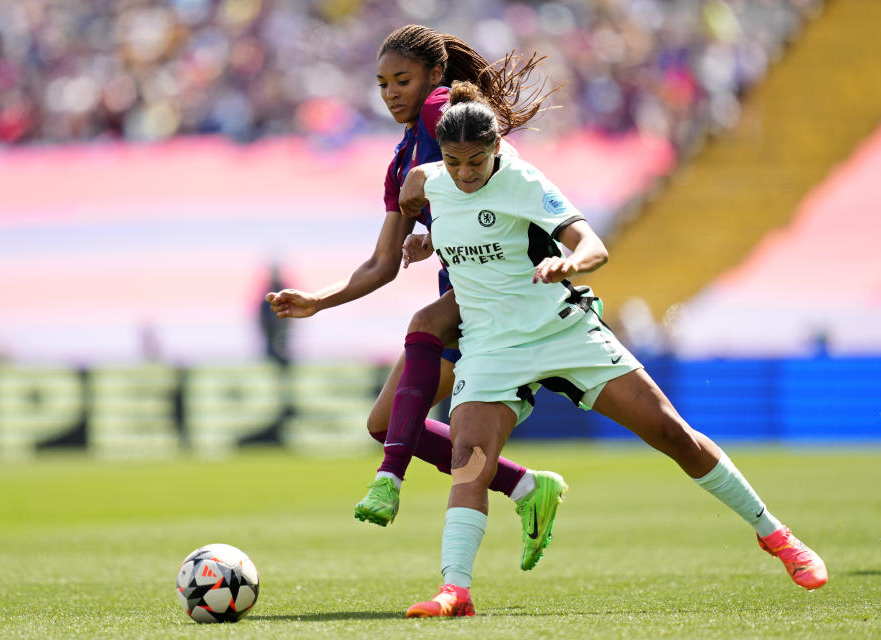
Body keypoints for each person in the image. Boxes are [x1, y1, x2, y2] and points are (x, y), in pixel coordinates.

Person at [398, 81, 828, 618]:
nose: (465, 174)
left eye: (476, 161)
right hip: (490, 348)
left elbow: (592, 244)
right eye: (455, 161)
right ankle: (455, 591)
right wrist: (427, 240)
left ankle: (778, 537)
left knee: (673, 433)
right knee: (469, 461)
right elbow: (461, 226)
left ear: (498, 147)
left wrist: (568, 264)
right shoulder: (428, 183)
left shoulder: (525, 181)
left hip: (561, 331)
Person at [265, 25, 567, 571]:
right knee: (383, 424)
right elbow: (382, 264)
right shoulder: (399, 161)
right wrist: (318, 300)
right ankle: (526, 488)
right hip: (462, 291)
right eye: (381, 84)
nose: (391, 93)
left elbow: (493, 153)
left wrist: (439, 189)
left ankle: (393, 481)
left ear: (433, 75)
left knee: (423, 334)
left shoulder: (438, 109)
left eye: (401, 79)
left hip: (498, 288)